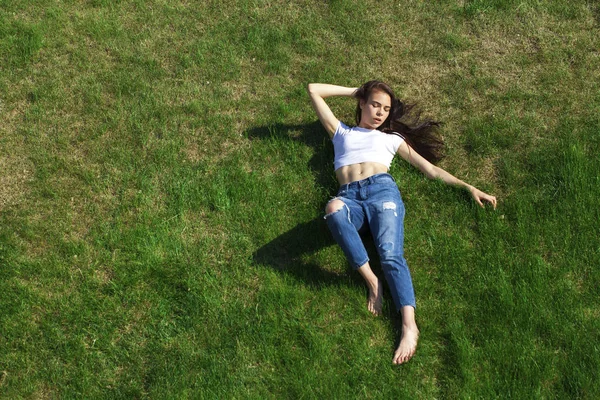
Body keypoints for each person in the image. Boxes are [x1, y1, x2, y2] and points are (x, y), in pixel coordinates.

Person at [307, 81, 497, 365]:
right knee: (333, 208)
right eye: (375, 105)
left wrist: (468, 187)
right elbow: (313, 90)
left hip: (382, 192)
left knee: (391, 256)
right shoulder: (341, 131)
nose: (381, 113)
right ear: (362, 103)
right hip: (349, 197)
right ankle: (372, 281)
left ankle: (410, 326)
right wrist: (356, 90)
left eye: (386, 109)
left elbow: (430, 169)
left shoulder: (391, 138)